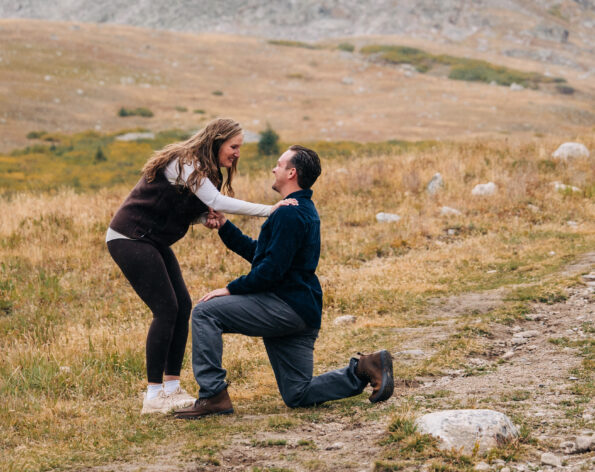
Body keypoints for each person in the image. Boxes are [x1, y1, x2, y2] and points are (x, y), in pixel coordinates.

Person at [175, 145, 394, 418]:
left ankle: (213, 396)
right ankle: (364, 368)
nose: (273, 169)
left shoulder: (290, 213)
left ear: (291, 173)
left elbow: (270, 272)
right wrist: (226, 226)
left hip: (284, 307)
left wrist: (230, 289)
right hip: (300, 312)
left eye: (279, 164)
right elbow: (263, 255)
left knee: (205, 312)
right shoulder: (300, 209)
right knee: (297, 394)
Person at [106, 118, 296, 414]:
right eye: (233, 146)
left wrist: (201, 218)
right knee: (166, 309)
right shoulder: (185, 162)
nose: (237, 153)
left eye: (239, 148)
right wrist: (269, 210)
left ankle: (171, 388)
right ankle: (153, 395)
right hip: (129, 237)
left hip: (151, 240)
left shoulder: (207, 172)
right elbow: (217, 200)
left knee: (182, 305)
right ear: (217, 141)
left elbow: (184, 205)